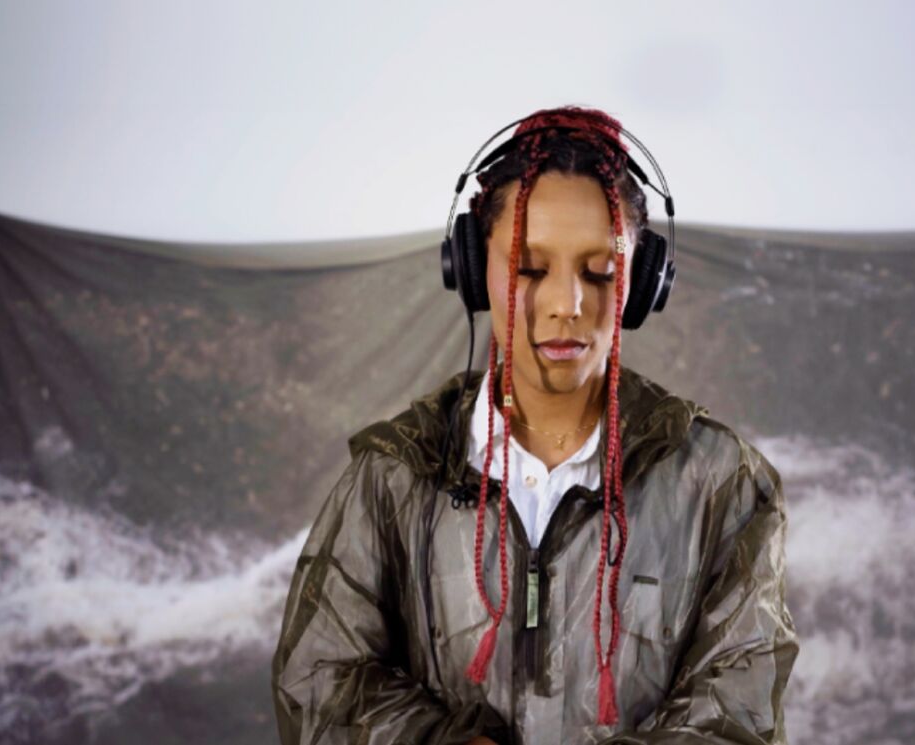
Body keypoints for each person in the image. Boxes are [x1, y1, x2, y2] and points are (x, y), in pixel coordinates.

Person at [270, 105, 799, 745]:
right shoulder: (396, 474)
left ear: (642, 284)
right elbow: (320, 679)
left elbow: (738, 712)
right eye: (529, 267)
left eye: (600, 271)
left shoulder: (719, 483)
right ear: (472, 270)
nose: (566, 304)